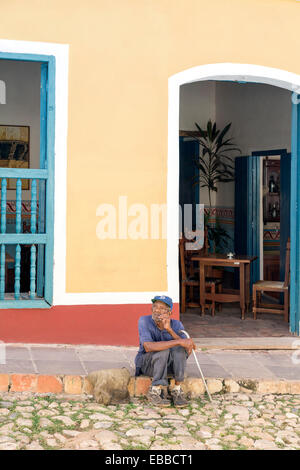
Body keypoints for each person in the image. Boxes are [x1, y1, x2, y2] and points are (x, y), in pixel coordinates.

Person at [135, 295, 196, 407]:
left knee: (179, 349)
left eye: (162, 308)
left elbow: (187, 349)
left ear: (169, 313)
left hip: (168, 367)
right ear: (151, 309)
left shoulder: (176, 324)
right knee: (163, 350)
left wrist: (169, 330)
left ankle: (177, 390)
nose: (157, 310)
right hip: (148, 365)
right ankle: (155, 391)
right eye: (155, 307)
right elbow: (148, 347)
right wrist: (178, 342)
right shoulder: (144, 321)